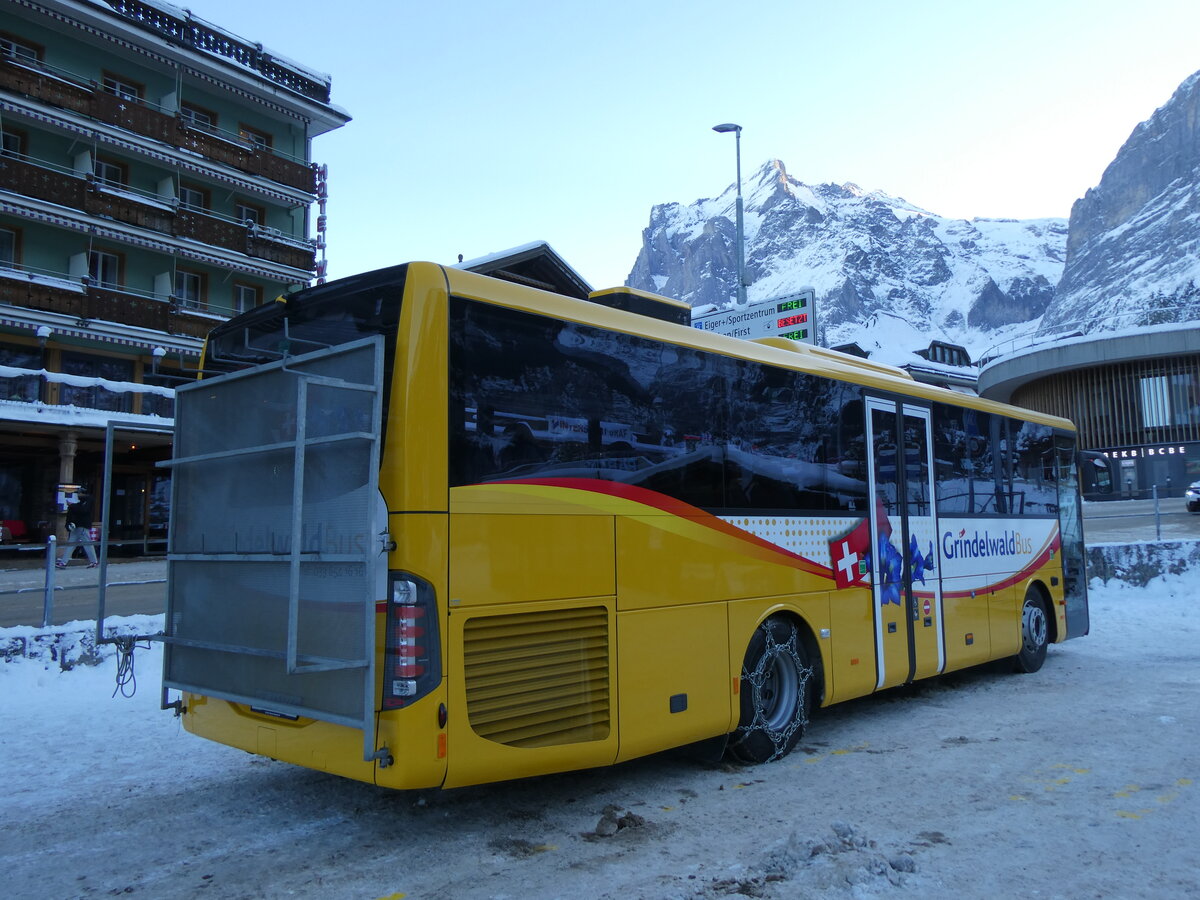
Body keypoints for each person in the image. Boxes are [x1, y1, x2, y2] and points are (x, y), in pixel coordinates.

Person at [57, 488, 98, 569]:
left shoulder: (88, 500)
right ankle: (63, 562)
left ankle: (94, 561)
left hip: (83, 525)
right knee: (71, 544)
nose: (78, 495)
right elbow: (73, 512)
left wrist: (72, 505)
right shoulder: (79, 503)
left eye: (80, 493)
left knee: (87, 543)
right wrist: (68, 524)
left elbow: (84, 510)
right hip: (76, 526)